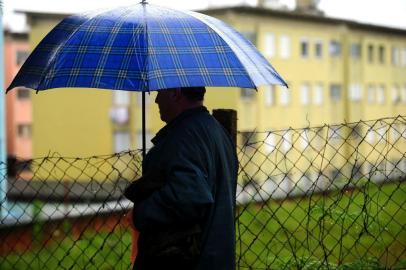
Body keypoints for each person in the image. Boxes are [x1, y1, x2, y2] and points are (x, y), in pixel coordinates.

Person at [127, 87, 238, 270]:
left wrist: (140, 214)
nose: (155, 101)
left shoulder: (185, 137)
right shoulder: (216, 131)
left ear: (175, 93)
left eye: (159, 92)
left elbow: (189, 197)